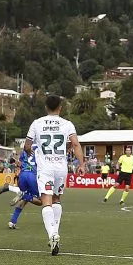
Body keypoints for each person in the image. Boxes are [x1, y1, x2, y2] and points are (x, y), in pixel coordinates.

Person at [22, 94, 86, 255]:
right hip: (60, 168)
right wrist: (81, 164)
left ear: (45, 107)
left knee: (46, 201)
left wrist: (31, 153)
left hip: (45, 168)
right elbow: (75, 144)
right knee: (57, 199)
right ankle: (55, 233)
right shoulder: (67, 124)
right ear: (60, 108)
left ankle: (52, 235)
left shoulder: (37, 123)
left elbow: (27, 145)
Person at [0, 149, 38, 230]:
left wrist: (14, 161)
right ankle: (17, 192)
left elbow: (20, 164)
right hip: (33, 176)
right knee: (40, 201)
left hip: (22, 176)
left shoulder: (25, 151)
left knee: (24, 200)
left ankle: (12, 222)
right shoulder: (40, 149)